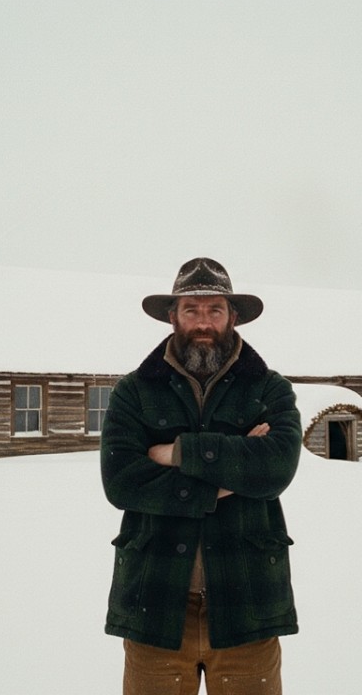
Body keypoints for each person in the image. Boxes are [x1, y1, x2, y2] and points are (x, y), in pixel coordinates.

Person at [100, 257, 303, 695]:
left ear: (233, 316)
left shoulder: (269, 388)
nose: (203, 322)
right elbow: (121, 481)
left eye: (215, 309)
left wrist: (176, 453)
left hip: (248, 604)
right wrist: (230, 475)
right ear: (172, 316)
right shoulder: (133, 391)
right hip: (155, 604)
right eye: (191, 309)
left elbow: (275, 468)